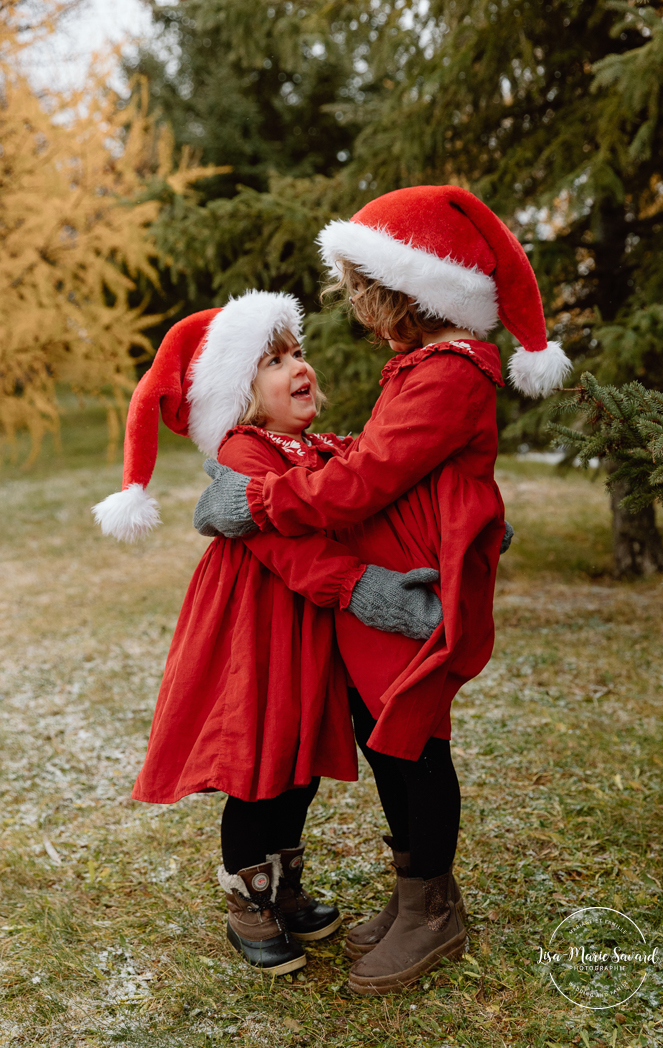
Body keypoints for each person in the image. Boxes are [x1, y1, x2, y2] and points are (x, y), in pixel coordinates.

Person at [191, 186, 571, 993]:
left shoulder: (450, 374)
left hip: (413, 593)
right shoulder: (423, 370)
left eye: (363, 293)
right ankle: (413, 900)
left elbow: (363, 480)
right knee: (385, 738)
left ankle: (433, 911)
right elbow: (377, 458)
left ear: (404, 293)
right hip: (389, 586)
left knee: (413, 746)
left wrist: (255, 501)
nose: (359, 311)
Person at [92, 289, 443, 977]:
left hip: (307, 629)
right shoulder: (243, 452)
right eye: (274, 360)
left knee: (300, 762)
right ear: (237, 394)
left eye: (297, 352)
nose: (297, 366)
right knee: (258, 766)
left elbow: (378, 482)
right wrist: (356, 588)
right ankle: (248, 901)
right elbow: (292, 552)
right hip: (256, 625)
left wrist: (456, 523)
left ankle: (285, 886)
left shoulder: (316, 444)